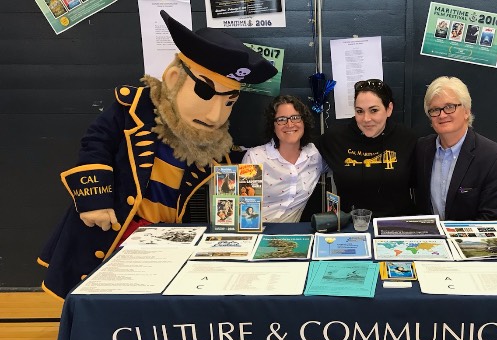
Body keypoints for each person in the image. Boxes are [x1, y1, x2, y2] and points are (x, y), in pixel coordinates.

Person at [37, 11, 277, 299]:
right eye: (204, 91)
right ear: (174, 77)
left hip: (166, 241)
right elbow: (95, 143)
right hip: (115, 227)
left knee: (148, 305)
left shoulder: (218, 149)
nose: (216, 115)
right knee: (95, 299)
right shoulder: (133, 108)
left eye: (229, 103)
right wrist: (94, 198)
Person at [415, 76, 497, 220]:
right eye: (435, 109)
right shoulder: (422, 149)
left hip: (472, 240)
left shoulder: (494, 158)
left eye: (450, 107)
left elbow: (493, 218)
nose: (442, 115)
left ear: (467, 111)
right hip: (431, 238)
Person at [319, 79, 417, 218]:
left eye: (374, 110)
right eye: (360, 111)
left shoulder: (408, 139)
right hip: (351, 224)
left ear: (389, 109)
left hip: (397, 224)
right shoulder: (335, 138)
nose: (366, 119)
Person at [241, 95, 327, 222]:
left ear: (304, 122)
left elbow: (341, 163)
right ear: (273, 125)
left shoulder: (314, 155)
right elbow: (244, 207)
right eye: (281, 119)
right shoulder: (254, 157)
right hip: (254, 230)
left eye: (295, 118)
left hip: (289, 234)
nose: (289, 124)